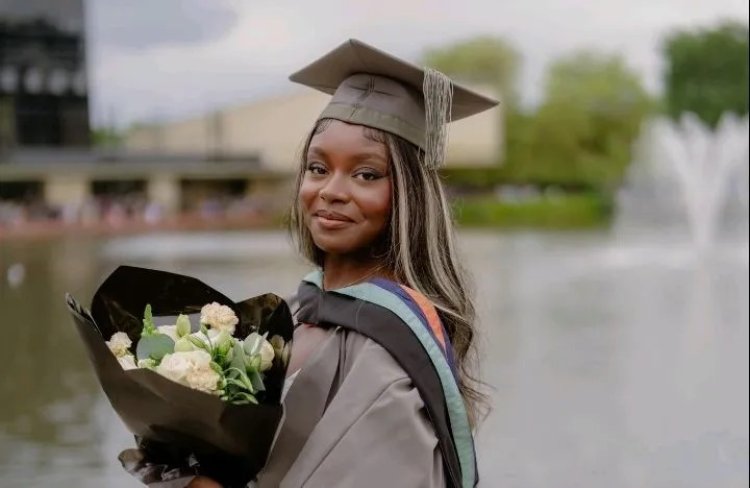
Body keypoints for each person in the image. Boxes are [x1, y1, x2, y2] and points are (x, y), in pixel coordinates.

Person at [188, 38, 498, 488]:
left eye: (366, 174)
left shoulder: (388, 352)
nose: (331, 190)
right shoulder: (296, 309)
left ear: (409, 196)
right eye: (318, 168)